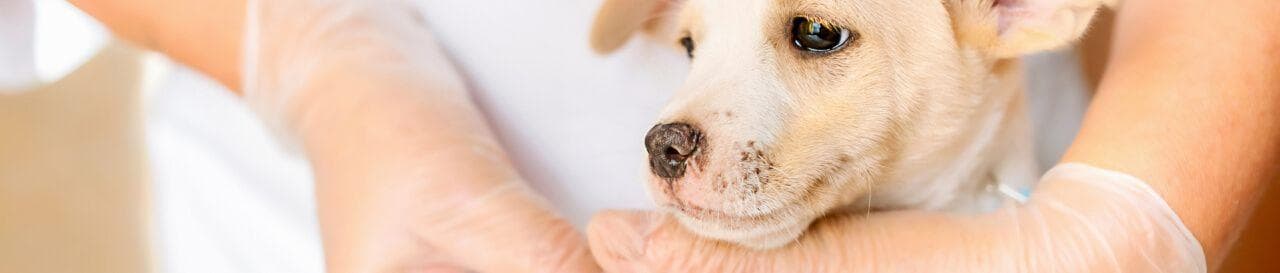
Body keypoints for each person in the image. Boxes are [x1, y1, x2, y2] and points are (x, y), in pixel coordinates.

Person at [66, 0, 1279, 272]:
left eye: (813, 34)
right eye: (688, 41)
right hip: (308, 215)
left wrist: (1137, 211)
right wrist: (322, 64)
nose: (677, 125)